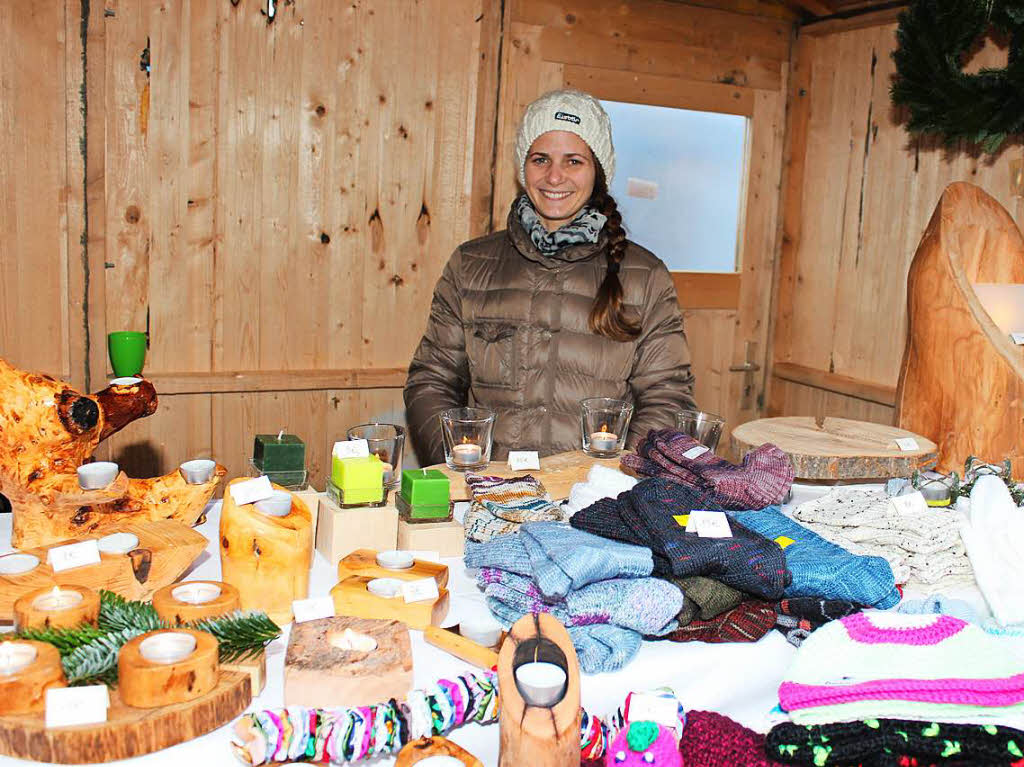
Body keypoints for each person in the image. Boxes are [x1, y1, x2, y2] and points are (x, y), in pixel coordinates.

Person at [404, 89, 696, 465]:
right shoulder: (470, 264)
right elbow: (431, 381)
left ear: (598, 172)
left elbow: (666, 398)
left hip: (594, 502)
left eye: (573, 161)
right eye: (540, 159)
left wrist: (615, 485)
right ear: (523, 168)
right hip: (487, 494)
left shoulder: (645, 277)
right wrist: (461, 469)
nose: (554, 176)